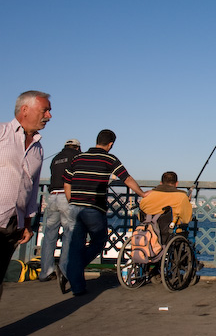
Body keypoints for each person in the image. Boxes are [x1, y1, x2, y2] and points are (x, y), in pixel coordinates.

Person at [63, 129, 149, 296]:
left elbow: (67, 183)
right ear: (110, 144)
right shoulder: (109, 158)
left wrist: (72, 202)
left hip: (74, 207)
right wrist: (142, 194)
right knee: (99, 241)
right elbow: (127, 178)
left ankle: (76, 284)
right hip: (94, 208)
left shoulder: (78, 158)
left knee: (75, 246)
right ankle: (73, 268)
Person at [0, 91, 51, 300]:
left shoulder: (38, 148)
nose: (49, 116)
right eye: (45, 110)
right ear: (25, 110)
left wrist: (28, 225)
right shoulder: (2, 133)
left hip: (13, 224)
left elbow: (32, 190)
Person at [39, 138, 81, 282]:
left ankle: (45, 271)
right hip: (66, 197)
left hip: (52, 197)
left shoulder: (56, 158)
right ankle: (64, 270)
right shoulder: (75, 157)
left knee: (49, 234)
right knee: (69, 234)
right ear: (77, 148)